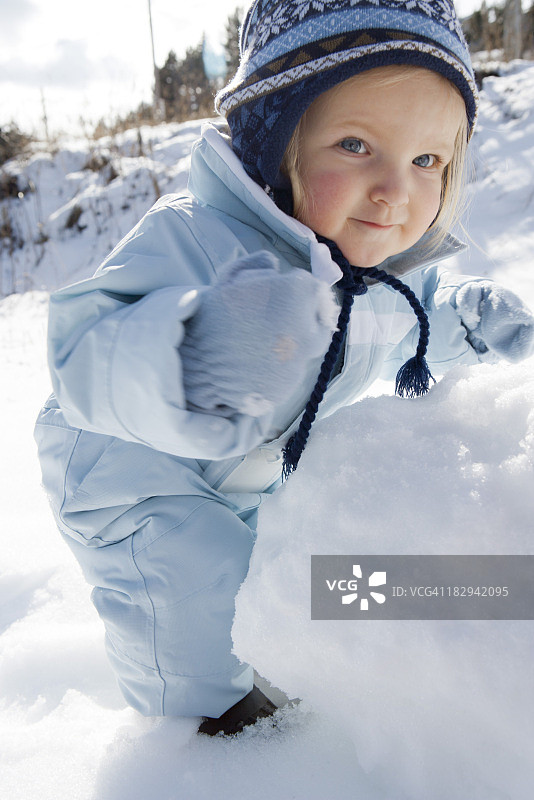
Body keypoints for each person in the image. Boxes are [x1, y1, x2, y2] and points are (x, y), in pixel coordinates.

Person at [35, 0, 534, 735]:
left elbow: (418, 316)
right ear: (278, 140)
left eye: (428, 160)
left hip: (261, 467)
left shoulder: (384, 269)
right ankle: (211, 749)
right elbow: (83, 354)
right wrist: (200, 350)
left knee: (314, 579)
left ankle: (441, 645)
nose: (397, 191)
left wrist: (476, 320)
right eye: (357, 145)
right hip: (140, 477)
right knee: (204, 614)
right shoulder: (196, 238)